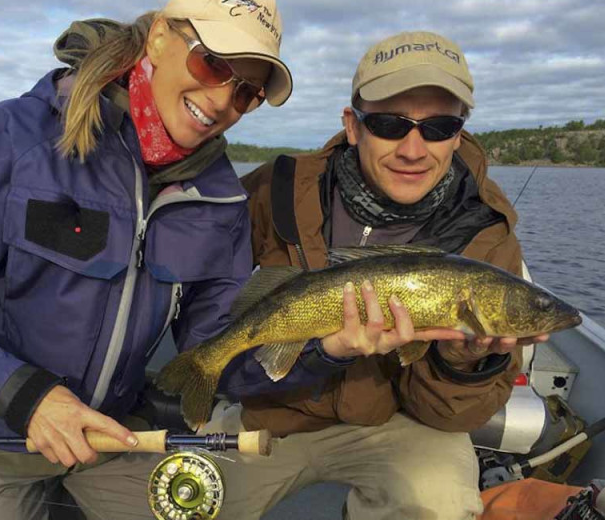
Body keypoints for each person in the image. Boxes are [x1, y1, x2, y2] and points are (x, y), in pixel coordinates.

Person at [0, 1, 300, 518]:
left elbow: (215, 349)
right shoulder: (11, 139)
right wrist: (26, 398)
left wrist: (326, 346)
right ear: (157, 39)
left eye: (246, 92)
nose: (222, 101)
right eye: (213, 64)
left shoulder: (220, 199)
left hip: (114, 436)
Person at [204, 31, 550, 520]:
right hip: (270, 411)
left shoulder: (487, 237)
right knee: (185, 496)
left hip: (397, 424)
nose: (413, 149)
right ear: (353, 125)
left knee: (440, 502)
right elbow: (204, 291)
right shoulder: (275, 189)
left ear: (459, 132)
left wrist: (460, 363)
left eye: (439, 126)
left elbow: (454, 416)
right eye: (389, 124)